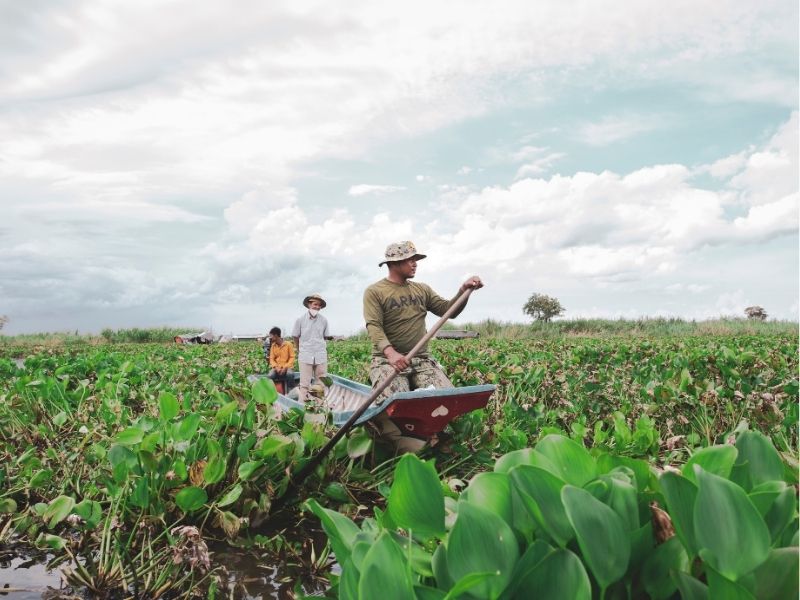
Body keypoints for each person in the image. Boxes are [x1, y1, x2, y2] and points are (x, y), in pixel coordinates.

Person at [363, 240, 483, 453]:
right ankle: (390, 440)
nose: (415, 264)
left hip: (421, 361)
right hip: (388, 361)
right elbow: (374, 326)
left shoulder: (422, 289)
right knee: (394, 406)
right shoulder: (375, 291)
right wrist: (390, 354)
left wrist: (464, 291)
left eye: (415, 259)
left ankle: (435, 436)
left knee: (448, 397)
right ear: (395, 263)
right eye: (410, 260)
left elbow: (450, 310)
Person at [292, 293, 332, 403]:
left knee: (321, 383)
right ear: (309, 304)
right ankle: (302, 407)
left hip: (320, 354)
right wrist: (300, 349)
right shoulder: (300, 320)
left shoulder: (324, 320)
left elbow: (325, 337)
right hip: (305, 354)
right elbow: (295, 336)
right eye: (315, 304)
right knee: (304, 384)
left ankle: (319, 406)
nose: (317, 307)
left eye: (319, 305)